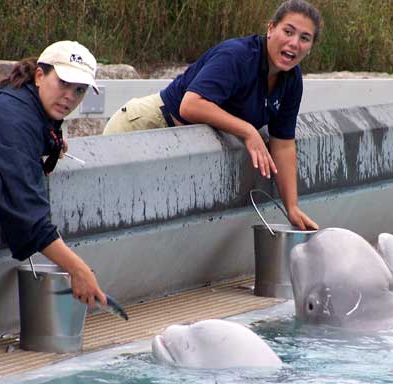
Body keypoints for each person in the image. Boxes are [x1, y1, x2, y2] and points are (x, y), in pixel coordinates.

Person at [103, 0, 322, 230]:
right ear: (270, 29)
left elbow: (283, 143)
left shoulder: (292, 79)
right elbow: (190, 105)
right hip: (148, 126)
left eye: (304, 38)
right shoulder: (238, 56)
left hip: (185, 148)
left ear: (310, 46)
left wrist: (292, 207)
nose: (294, 42)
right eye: (288, 31)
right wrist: (247, 131)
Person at [0, 41, 107, 308]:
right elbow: (30, 217)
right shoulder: (16, 122)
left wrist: (51, 140)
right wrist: (77, 269)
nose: (70, 96)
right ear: (39, 76)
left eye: (79, 90)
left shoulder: (20, 101)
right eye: (63, 83)